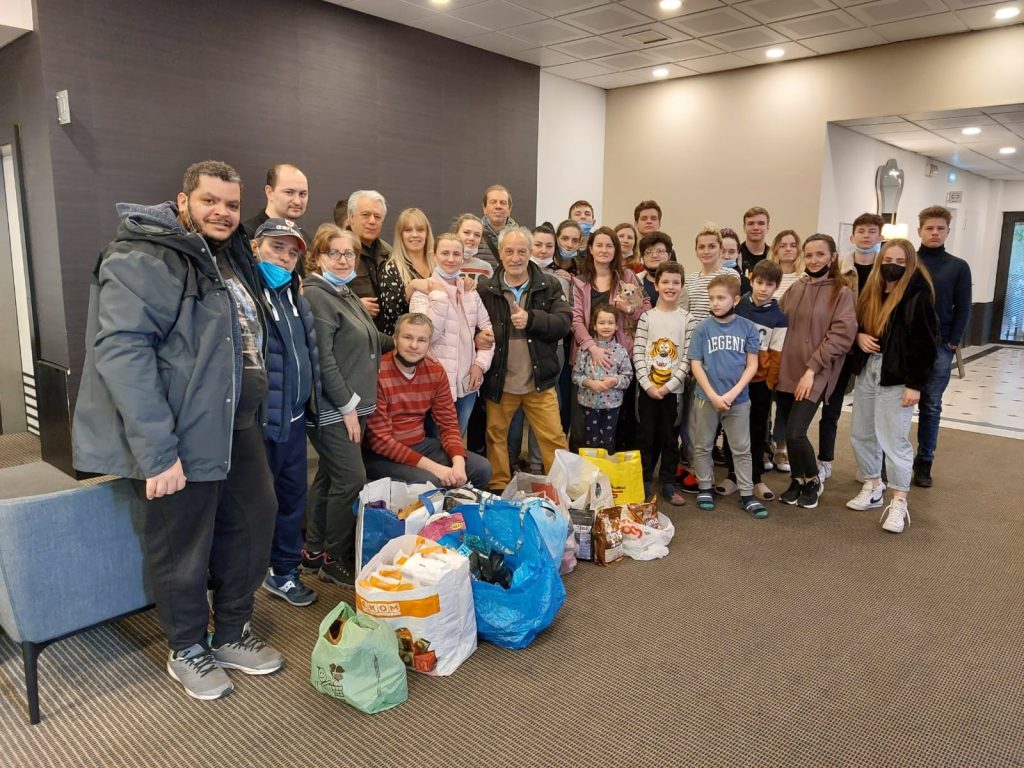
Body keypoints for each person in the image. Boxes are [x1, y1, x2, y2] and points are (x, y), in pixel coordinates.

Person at [72, 160, 284, 701]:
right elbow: (122, 354)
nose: (223, 212)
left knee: (253, 525)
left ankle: (232, 631)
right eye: (210, 200)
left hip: (237, 424)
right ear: (182, 200)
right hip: (182, 433)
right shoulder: (143, 256)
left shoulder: (229, 258)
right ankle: (186, 645)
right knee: (183, 545)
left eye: (232, 205)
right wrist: (159, 452)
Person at [302, 225, 393, 589]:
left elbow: (371, 339)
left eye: (349, 254)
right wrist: (347, 406)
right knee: (351, 480)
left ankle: (313, 549)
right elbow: (324, 359)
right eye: (334, 254)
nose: (343, 260)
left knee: (328, 477)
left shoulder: (345, 292)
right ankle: (333, 558)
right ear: (318, 257)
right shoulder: (317, 295)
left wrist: (410, 337)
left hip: (354, 405)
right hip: (336, 408)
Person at [251, 219, 321, 609]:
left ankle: (284, 572)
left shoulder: (294, 294)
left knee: (294, 498)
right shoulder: (247, 295)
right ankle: (245, 581)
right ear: (256, 247)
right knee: (259, 503)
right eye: (278, 248)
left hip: (294, 418)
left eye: (293, 252)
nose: (286, 258)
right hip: (262, 422)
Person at [847, 239, 938, 534]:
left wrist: (915, 384)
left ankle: (899, 499)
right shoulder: (872, 290)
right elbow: (858, 326)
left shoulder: (918, 294)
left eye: (900, 262)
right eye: (889, 259)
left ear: (909, 263)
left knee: (893, 439)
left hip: (898, 375)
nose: (893, 266)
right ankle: (873, 485)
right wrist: (860, 338)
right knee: (861, 432)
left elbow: (927, 344)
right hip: (869, 370)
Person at [478, 226, 571, 491]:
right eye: (509, 251)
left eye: (522, 251)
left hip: (539, 382)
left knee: (553, 437)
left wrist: (531, 319)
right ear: (500, 254)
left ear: (530, 253)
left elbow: (564, 323)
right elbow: (473, 325)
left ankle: (561, 491)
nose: (516, 257)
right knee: (495, 437)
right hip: (500, 381)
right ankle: (498, 487)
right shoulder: (487, 289)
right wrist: (477, 338)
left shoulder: (549, 285)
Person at [364, 313, 493, 488]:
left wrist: (458, 464)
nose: (414, 345)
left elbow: (448, 424)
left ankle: (451, 512)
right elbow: (381, 441)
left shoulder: (435, 371)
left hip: (419, 444)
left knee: (481, 468)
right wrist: (437, 469)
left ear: (429, 344)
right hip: (380, 454)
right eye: (407, 337)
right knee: (429, 481)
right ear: (395, 339)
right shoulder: (377, 373)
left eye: (422, 340)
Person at [776, 234, 857, 509]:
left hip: (815, 371)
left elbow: (842, 335)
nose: (813, 260)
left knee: (797, 432)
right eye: (808, 255)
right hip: (787, 369)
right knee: (788, 433)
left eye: (820, 254)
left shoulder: (842, 292)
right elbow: (779, 321)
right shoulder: (796, 288)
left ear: (832, 257)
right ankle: (797, 479)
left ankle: (813, 480)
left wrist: (812, 369)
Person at [688, 274, 766, 518]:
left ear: (734, 299)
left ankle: (746, 493)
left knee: (741, 447)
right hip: (706, 398)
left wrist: (732, 393)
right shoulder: (702, 329)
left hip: (738, 400)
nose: (715, 303)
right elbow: (696, 364)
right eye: (712, 298)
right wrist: (712, 395)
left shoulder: (747, 327)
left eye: (720, 298)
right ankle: (704, 486)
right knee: (702, 445)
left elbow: (752, 365)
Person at [817, 212, 883, 486]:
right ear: (852, 236)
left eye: (872, 231)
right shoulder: (839, 270)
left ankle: (871, 466)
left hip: (877, 347)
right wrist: (855, 335)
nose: (866, 236)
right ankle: (825, 462)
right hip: (845, 345)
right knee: (830, 409)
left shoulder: (887, 267)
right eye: (861, 231)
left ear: (880, 236)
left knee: (872, 412)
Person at [570, 226, 650, 449]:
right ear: (590, 249)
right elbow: (576, 320)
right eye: (599, 245)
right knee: (581, 426)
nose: (604, 250)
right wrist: (592, 348)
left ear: (616, 250)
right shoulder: (579, 282)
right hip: (586, 359)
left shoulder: (628, 277)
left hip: (620, 356)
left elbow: (646, 309)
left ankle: (614, 475)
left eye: (609, 245)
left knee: (618, 425)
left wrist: (628, 310)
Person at [408, 232, 494, 434]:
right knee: (437, 445)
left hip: (467, 384)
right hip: (435, 386)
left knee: (457, 442)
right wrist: (438, 296)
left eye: (456, 254)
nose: (451, 259)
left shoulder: (471, 292)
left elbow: (488, 331)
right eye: (445, 253)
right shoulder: (422, 293)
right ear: (434, 255)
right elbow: (427, 337)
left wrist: (479, 365)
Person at [914, 205, 972, 488]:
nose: (934, 233)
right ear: (919, 231)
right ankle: (894, 459)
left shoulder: (958, 266)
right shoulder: (908, 261)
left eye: (940, 228)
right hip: (907, 346)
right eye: (929, 228)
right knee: (896, 406)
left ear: (947, 231)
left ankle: (924, 461)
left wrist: (952, 342)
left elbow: (963, 307)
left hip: (940, 345)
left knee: (931, 405)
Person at [633, 261, 695, 506]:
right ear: (656, 285)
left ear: (682, 286)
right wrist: (648, 384)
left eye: (675, 282)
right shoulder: (647, 317)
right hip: (646, 389)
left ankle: (668, 481)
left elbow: (688, 357)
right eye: (665, 282)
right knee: (645, 436)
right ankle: (644, 479)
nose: (670, 287)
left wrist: (669, 386)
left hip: (674, 391)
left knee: (670, 438)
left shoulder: (687, 319)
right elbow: (638, 352)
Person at [728, 259, 787, 502]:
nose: (763, 288)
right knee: (733, 428)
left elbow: (777, 355)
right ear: (751, 280)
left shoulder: (779, 317)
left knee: (756, 429)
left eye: (769, 284)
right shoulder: (739, 305)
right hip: (734, 378)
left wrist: (770, 384)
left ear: (776, 287)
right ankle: (733, 475)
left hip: (760, 383)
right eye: (759, 282)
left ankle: (755, 478)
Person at [764, 228, 801, 472]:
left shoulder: (803, 278)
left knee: (786, 400)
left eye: (792, 245)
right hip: (766, 345)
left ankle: (781, 447)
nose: (788, 249)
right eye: (783, 244)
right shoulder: (768, 275)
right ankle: (764, 445)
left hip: (791, 346)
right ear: (775, 249)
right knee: (764, 398)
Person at [573, 304, 633, 452]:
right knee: (589, 441)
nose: (606, 326)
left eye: (610, 323)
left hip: (612, 406)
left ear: (616, 326)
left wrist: (614, 381)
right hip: (588, 404)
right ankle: (589, 473)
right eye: (601, 323)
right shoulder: (585, 350)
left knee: (608, 441)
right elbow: (576, 375)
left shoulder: (620, 351)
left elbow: (627, 376)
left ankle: (605, 472)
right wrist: (589, 383)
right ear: (594, 326)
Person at [378, 207, 435, 336]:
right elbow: (392, 316)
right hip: (405, 344)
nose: (415, 235)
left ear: (427, 233)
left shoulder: (438, 266)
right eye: (408, 230)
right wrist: (411, 287)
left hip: (438, 342)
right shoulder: (391, 269)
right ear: (400, 235)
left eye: (420, 230)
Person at [346, 189, 391, 326]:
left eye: (377, 216)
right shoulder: (337, 251)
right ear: (351, 217)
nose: (372, 221)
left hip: (386, 338)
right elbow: (322, 296)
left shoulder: (390, 253)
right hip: (353, 335)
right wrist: (355, 306)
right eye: (365, 215)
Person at [242, 163, 309, 241]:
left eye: (302, 194)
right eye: (289, 192)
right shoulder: (246, 236)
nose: (297, 201)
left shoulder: (306, 240)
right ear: (269, 192)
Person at [478, 184, 516, 270]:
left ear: (510, 209)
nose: (498, 206)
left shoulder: (521, 238)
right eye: (493, 202)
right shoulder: (473, 236)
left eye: (503, 203)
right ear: (484, 208)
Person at [637, 231, 674, 307]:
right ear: (642, 257)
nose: (654, 255)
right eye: (648, 252)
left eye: (660, 251)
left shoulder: (679, 284)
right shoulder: (634, 282)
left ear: (669, 255)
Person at [453, 213, 493, 282]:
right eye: (466, 232)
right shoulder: (442, 264)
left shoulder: (486, 268)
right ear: (456, 233)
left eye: (477, 235)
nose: (472, 238)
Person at [738, 206, 770, 281]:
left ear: (768, 227)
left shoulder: (775, 257)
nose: (756, 228)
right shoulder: (735, 255)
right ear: (744, 227)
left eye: (761, 223)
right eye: (751, 223)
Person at [768, 229, 803, 299]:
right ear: (775, 250)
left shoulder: (805, 279)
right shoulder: (767, 276)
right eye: (782, 246)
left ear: (798, 250)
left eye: (793, 246)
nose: (788, 249)